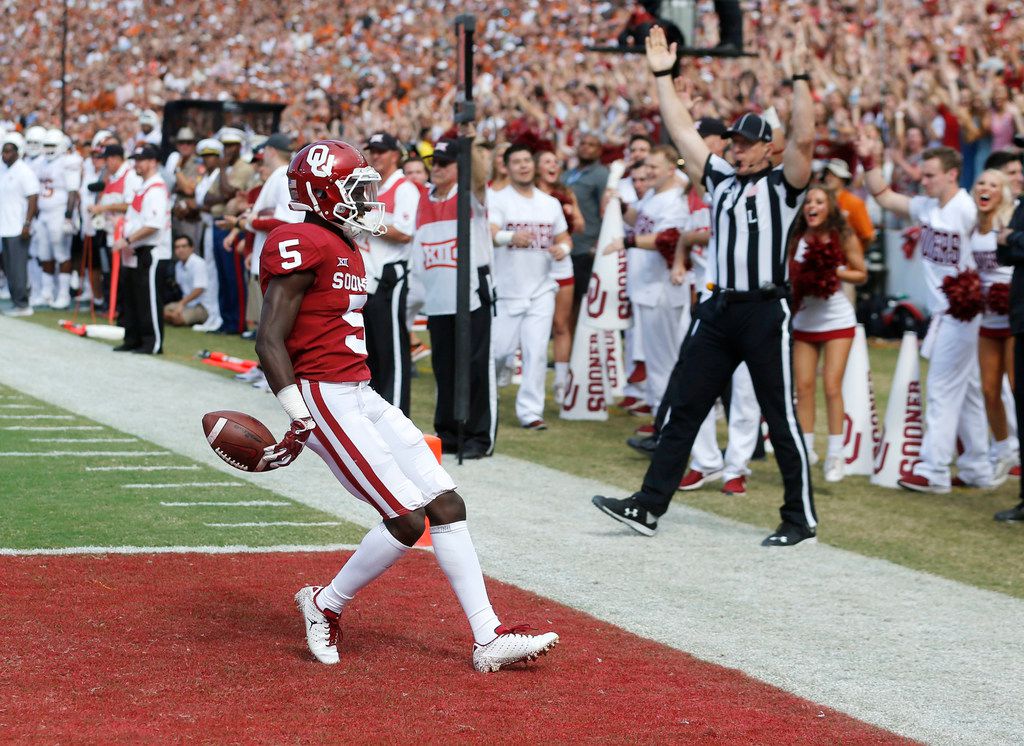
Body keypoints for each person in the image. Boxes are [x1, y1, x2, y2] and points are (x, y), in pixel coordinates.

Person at [255, 139, 558, 670]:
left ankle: (488, 638)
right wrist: (296, 410)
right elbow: (269, 339)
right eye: (355, 189)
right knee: (405, 518)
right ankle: (324, 605)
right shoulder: (300, 240)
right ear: (323, 192)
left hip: (359, 390)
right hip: (323, 396)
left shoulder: (346, 243)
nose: (366, 199)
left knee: (446, 504)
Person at [593, 26, 818, 547]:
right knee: (683, 409)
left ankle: (799, 518)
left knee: (779, 418)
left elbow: (805, 138)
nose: (736, 148)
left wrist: (802, 78)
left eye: (746, 142)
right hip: (718, 309)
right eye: (733, 140)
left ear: (767, 149)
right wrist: (661, 77)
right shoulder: (720, 180)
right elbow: (681, 131)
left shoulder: (784, 186)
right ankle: (648, 506)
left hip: (765, 309)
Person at [859, 136, 1000, 492]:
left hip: (964, 310)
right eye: (923, 175)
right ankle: (977, 467)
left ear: (952, 175)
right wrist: (870, 161)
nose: (924, 181)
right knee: (966, 392)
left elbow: (989, 247)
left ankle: (933, 469)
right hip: (946, 312)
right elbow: (885, 196)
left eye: (931, 175)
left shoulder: (967, 209)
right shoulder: (927, 206)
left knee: (941, 388)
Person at [411, 134, 497, 458]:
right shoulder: (425, 197)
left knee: (475, 366)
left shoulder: (470, 195)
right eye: (435, 162)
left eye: (446, 163)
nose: (438, 168)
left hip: (471, 291)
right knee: (443, 365)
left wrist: (470, 140)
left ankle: (478, 435)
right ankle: (447, 431)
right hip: (438, 295)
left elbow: (478, 177)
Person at [489, 143, 573, 430]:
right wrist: (510, 237)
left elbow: (564, 237)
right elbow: (491, 232)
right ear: (507, 167)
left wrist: (562, 248)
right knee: (499, 352)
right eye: (517, 161)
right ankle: (490, 396)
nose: (523, 165)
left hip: (541, 289)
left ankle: (530, 411)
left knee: (536, 352)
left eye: (527, 160)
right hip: (506, 289)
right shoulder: (498, 199)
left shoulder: (550, 203)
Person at [790, 186, 867, 483]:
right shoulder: (796, 236)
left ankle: (836, 453)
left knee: (832, 384)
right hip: (805, 319)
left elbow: (861, 273)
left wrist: (831, 271)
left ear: (830, 207)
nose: (813, 206)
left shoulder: (843, 235)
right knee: (804, 386)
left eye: (819, 201)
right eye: (808, 201)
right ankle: (806, 449)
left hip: (837, 318)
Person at [361, 131, 422, 415]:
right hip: (368, 276)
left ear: (394, 155)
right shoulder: (368, 186)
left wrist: (369, 222)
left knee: (392, 349)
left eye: (380, 151)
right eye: (372, 151)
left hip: (390, 274)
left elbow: (405, 234)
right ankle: (377, 411)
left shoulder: (404, 188)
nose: (375, 156)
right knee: (371, 348)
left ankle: (397, 412)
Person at [971, 170, 1018, 481]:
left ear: (1003, 191)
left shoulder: (1012, 219)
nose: (985, 189)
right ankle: (1003, 450)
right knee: (989, 389)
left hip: (1013, 315)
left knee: (1016, 388)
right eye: (981, 183)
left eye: (993, 184)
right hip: (987, 317)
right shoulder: (971, 224)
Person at [111, 143, 171, 354]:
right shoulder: (143, 187)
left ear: (153, 162)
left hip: (151, 250)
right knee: (133, 297)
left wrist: (127, 240)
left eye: (141, 160)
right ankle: (133, 338)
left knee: (149, 299)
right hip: (136, 250)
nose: (136, 164)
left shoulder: (156, 188)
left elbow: (153, 224)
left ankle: (151, 342)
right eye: (135, 160)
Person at [536, 149, 582, 404]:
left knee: (561, 324)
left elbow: (581, 225)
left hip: (560, 264)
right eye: (547, 161)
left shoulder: (566, 193)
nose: (553, 165)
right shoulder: (525, 194)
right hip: (533, 264)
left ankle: (562, 381)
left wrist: (569, 214)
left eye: (556, 161)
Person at [32, 128, 80, 309]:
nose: (49, 149)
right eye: (46, 145)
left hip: (59, 213)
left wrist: (68, 217)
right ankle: (46, 291)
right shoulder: (42, 162)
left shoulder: (67, 162)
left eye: (52, 145)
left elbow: (73, 191)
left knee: (61, 253)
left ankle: (63, 293)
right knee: (44, 253)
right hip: (44, 214)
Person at [561, 133, 608, 312]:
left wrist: (599, 242)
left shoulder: (601, 175)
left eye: (592, 144)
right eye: (583, 143)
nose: (586, 147)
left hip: (586, 246)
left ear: (599, 150)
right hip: (566, 243)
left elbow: (606, 211)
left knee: (584, 301)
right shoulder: (568, 174)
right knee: (568, 303)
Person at [0, 131, 39, 317]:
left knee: (17, 267)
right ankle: (17, 301)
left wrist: (27, 223)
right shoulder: (4, 170)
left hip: (18, 227)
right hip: (4, 227)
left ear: (18, 152)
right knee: (8, 267)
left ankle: (23, 304)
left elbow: (33, 198)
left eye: (9, 151)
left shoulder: (24, 171)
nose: (5, 155)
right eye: (3, 151)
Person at [820, 158, 875, 252]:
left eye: (833, 175)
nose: (828, 178)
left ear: (843, 178)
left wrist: (855, 254)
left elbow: (868, 236)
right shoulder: (820, 202)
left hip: (847, 262)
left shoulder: (854, 203)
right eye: (827, 174)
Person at [164, 234, 211, 326]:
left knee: (178, 320)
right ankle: (173, 316)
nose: (180, 250)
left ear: (191, 248)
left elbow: (199, 289)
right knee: (161, 310)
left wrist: (181, 303)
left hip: (202, 306)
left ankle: (175, 317)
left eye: (184, 246)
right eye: (177, 247)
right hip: (187, 304)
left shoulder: (198, 263)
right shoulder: (178, 265)